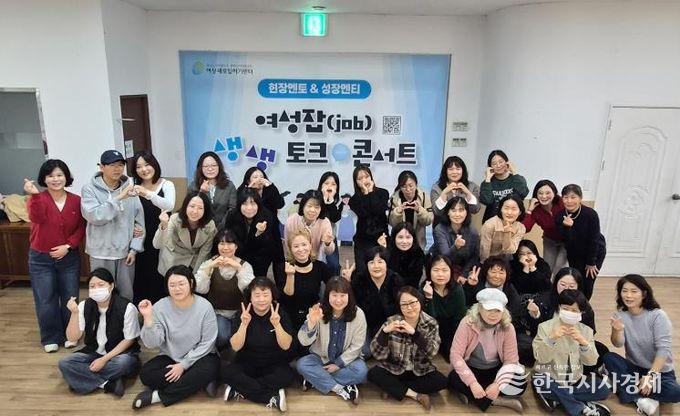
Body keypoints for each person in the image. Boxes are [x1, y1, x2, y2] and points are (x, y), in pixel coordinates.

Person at [134, 265, 219, 409]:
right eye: (172, 285)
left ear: (191, 283)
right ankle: (198, 382)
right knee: (146, 374)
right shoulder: (160, 307)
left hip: (200, 356)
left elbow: (208, 343)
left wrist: (183, 365)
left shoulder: (205, 306)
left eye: (181, 284)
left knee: (210, 367)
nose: (177, 289)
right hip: (171, 356)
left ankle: (158, 396)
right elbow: (151, 343)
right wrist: (148, 319)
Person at [24, 159, 86, 353]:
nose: (56, 179)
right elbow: (36, 218)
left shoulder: (76, 200)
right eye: (51, 176)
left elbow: (81, 227)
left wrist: (68, 246)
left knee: (70, 296)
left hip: (68, 257)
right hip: (40, 259)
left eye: (59, 175)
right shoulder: (37, 199)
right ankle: (50, 337)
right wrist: (34, 195)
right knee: (45, 299)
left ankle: (70, 334)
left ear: (66, 177)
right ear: (44, 179)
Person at [603, 274, 680, 416]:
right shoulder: (620, 315)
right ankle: (640, 398)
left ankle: (625, 389)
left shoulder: (657, 316)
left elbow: (663, 349)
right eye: (624, 291)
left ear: (644, 294)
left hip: (659, 372)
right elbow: (618, 344)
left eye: (634, 291)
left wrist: (650, 376)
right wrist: (616, 330)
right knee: (609, 357)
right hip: (634, 367)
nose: (628, 295)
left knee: (675, 393)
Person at [58, 268, 140, 397]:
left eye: (101, 285)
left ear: (111, 286)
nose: (96, 289)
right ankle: (107, 384)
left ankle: (82, 378)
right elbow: (72, 337)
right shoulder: (84, 305)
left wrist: (104, 359)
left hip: (119, 354)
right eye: (92, 286)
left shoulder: (127, 307)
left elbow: (129, 340)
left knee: (124, 363)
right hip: (93, 352)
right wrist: (74, 313)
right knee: (65, 363)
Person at [532, 289, 611, 416]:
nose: (569, 312)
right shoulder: (545, 327)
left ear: (581, 312)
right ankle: (581, 409)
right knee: (541, 382)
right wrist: (551, 339)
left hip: (574, 381)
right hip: (549, 378)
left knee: (603, 389)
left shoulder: (586, 331)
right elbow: (541, 358)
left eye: (574, 310)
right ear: (559, 308)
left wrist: (583, 343)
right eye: (566, 309)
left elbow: (591, 362)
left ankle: (558, 399)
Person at [368, 286, 447, 410]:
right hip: (395, 368)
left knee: (441, 381)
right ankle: (415, 395)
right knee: (373, 374)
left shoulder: (431, 323)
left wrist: (415, 334)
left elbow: (432, 353)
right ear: (399, 307)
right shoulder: (391, 322)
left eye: (413, 303)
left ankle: (394, 388)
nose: (409, 308)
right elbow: (378, 354)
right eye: (404, 304)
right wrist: (384, 332)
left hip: (419, 370)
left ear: (420, 301)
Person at [222, 277, 295, 412]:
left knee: (288, 376)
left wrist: (277, 325)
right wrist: (244, 325)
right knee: (227, 373)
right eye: (257, 295)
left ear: (272, 296)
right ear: (250, 297)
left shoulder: (280, 313)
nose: (261, 299)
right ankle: (271, 396)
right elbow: (236, 347)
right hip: (247, 362)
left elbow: (286, 346)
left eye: (265, 295)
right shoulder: (243, 313)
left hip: (273, 362)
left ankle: (241, 389)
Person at [81, 150, 145, 302]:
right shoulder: (89, 189)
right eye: (112, 165)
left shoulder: (130, 188)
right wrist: (119, 198)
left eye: (121, 165)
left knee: (126, 294)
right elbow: (95, 216)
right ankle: (102, 318)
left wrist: (134, 249)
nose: (117, 169)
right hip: (100, 252)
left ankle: (127, 318)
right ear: (101, 167)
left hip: (125, 253)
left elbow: (139, 222)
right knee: (101, 294)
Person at [448, 288, 527, 412]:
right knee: (453, 378)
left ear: (503, 311)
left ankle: (474, 397)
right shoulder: (466, 323)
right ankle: (496, 401)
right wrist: (472, 383)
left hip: (495, 369)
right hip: (471, 368)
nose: (493, 314)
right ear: (479, 309)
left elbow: (511, 361)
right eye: (489, 309)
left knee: (521, 382)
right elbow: (455, 355)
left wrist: (497, 384)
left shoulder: (508, 327)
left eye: (498, 310)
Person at [296, 277, 368, 404]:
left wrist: (338, 365)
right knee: (302, 364)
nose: (338, 300)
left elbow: (357, 346)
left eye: (342, 295)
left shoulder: (358, 314)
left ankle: (315, 380)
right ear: (327, 296)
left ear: (349, 296)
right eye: (334, 295)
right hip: (321, 358)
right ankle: (340, 388)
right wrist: (311, 323)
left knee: (362, 371)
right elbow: (303, 341)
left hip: (346, 360)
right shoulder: (318, 311)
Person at [195, 229, 255, 349]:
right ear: (217, 246)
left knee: (247, 337)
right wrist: (209, 268)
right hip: (218, 312)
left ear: (236, 246)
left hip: (241, 312)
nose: (225, 247)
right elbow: (201, 289)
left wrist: (238, 268)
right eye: (222, 243)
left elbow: (250, 291)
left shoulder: (245, 265)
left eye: (229, 243)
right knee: (222, 336)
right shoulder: (209, 263)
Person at [342, 246, 404, 356]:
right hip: (365, 324)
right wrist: (347, 283)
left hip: (388, 324)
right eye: (371, 262)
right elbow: (352, 305)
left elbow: (400, 308)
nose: (376, 266)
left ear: (386, 263)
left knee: (392, 352)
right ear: (367, 265)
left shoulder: (395, 280)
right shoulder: (359, 279)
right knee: (365, 353)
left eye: (380, 262)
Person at [131, 151, 175, 304]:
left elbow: (169, 205)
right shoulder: (134, 187)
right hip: (141, 240)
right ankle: (143, 313)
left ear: (154, 165)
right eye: (139, 167)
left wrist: (147, 193)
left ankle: (162, 312)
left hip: (162, 238)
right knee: (142, 279)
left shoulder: (166, 184)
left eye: (147, 165)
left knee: (160, 277)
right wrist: (132, 226)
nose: (144, 169)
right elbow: (128, 212)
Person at [555, 184, 606, 300]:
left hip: (595, 251)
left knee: (588, 282)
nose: (569, 201)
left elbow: (594, 239)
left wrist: (591, 262)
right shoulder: (560, 216)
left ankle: (584, 306)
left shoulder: (591, 214)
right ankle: (575, 304)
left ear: (580, 198)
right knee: (577, 280)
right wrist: (567, 227)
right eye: (566, 197)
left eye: (573, 197)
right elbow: (567, 240)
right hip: (574, 253)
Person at [237, 166, 286, 281]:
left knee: (279, 261)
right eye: (255, 177)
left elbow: (280, 204)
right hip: (254, 233)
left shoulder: (270, 190)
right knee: (259, 266)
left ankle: (281, 286)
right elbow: (238, 205)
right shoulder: (243, 191)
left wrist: (271, 186)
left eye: (261, 176)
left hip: (272, 231)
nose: (259, 179)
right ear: (248, 180)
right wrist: (249, 189)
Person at [153, 191, 217, 276]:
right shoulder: (175, 219)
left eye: (200, 208)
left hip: (194, 262)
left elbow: (204, 252)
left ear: (205, 210)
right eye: (192, 206)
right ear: (185, 206)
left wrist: (195, 275)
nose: (195, 211)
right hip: (173, 259)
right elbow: (157, 245)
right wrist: (164, 225)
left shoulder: (210, 225)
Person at [280, 230, 332, 330]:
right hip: (289, 316)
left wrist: (346, 279)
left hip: (313, 314)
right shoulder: (283, 267)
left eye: (304, 245)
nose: (301, 249)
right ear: (290, 249)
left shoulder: (320, 266)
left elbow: (333, 286)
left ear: (310, 245)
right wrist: (290, 275)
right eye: (296, 246)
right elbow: (286, 295)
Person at [223, 188, 279, 279]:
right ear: (239, 205)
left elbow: (269, 244)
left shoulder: (267, 215)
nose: (249, 208)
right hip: (238, 256)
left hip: (260, 258)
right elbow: (228, 238)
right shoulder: (232, 216)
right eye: (245, 204)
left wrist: (259, 233)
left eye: (253, 203)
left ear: (258, 204)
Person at [421, 255, 467, 361]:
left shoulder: (457, 290)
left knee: (453, 356)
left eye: (444, 270)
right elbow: (429, 322)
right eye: (436, 270)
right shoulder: (423, 290)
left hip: (451, 331)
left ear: (450, 272)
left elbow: (459, 318)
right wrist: (429, 297)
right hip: (431, 331)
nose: (440, 274)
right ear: (429, 272)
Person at [348, 164, 389, 274]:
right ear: (356, 182)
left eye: (366, 177)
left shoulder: (383, 193)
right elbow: (364, 214)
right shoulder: (354, 200)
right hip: (363, 240)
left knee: (381, 271)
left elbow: (378, 210)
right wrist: (366, 194)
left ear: (371, 177)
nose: (364, 180)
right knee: (362, 272)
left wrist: (371, 192)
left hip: (381, 238)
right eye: (360, 179)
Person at [522, 180, 567, 274]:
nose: (544, 196)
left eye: (548, 193)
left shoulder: (562, 202)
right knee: (547, 267)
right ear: (536, 195)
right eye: (540, 193)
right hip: (550, 240)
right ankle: (548, 284)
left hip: (566, 240)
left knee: (559, 267)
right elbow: (525, 228)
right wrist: (530, 210)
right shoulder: (535, 209)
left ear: (554, 193)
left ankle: (558, 283)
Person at [431, 196, 480, 276]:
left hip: (464, 268)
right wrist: (456, 246)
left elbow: (474, 256)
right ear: (448, 212)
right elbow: (444, 257)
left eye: (461, 210)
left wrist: (464, 275)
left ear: (467, 212)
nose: (457, 214)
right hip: (441, 266)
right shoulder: (439, 229)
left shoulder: (472, 231)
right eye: (453, 210)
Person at [284, 189, 335, 264]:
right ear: (303, 206)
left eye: (317, 207)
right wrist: (291, 263)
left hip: (316, 261)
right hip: (295, 261)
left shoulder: (324, 222)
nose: (312, 210)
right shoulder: (291, 221)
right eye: (309, 206)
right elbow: (287, 246)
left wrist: (328, 243)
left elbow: (329, 252)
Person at [189, 151, 237, 230]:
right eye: (206, 166)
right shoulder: (193, 186)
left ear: (219, 167)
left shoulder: (229, 185)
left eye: (214, 165)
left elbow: (232, 209)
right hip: (200, 229)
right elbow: (191, 209)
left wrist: (219, 228)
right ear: (200, 168)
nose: (210, 169)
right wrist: (201, 192)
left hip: (224, 230)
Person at [479, 150, 529, 223]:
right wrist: (488, 178)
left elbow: (523, 193)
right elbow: (487, 201)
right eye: (494, 163)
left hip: (514, 223)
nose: (498, 165)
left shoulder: (517, 178)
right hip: (492, 223)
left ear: (507, 162)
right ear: (490, 167)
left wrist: (514, 172)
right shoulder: (487, 182)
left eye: (501, 162)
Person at [388, 170, 433, 250]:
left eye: (411, 186)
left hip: (418, 242)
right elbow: (392, 223)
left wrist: (419, 210)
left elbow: (428, 221)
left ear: (416, 184)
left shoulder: (424, 197)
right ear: (400, 187)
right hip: (399, 243)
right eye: (404, 186)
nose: (408, 189)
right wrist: (398, 212)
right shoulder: (394, 199)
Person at [431, 156, 481, 225]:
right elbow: (437, 212)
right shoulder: (436, 187)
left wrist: (467, 193)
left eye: (458, 169)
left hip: (465, 226)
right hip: (442, 226)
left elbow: (475, 210)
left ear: (463, 170)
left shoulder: (472, 186)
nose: (454, 172)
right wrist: (444, 193)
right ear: (445, 171)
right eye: (451, 169)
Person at [480, 193, 526, 262]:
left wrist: (507, 234)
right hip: (489, 260)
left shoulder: (520, 227)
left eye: (514, 209)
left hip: (506, 259)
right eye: (506, 208)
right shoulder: (490, 224)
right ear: (501, 209)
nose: (509, 212)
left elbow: (510, 250)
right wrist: (485, 264)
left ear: (520, 212)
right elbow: (484, 249)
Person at [379, 222, 425, 288]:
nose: (404, 241)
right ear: (394, 238)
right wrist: (383, 250)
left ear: (413, 238)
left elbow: (415, 281)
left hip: (410, 290)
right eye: (400, 237)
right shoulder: (388, 252)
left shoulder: (418, 254)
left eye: (408, 237)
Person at [318, 171, 345, 275]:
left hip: (329, 238)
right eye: (326, 183)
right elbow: (319, 216)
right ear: (321, 185)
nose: (329, 186)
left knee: (334, 265)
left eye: (333, 184)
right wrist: (323, 199)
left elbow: (335, 218)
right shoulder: (315, 198)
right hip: (314, 236)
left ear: (337, 187)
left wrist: (330, 201)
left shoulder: (338, 201)